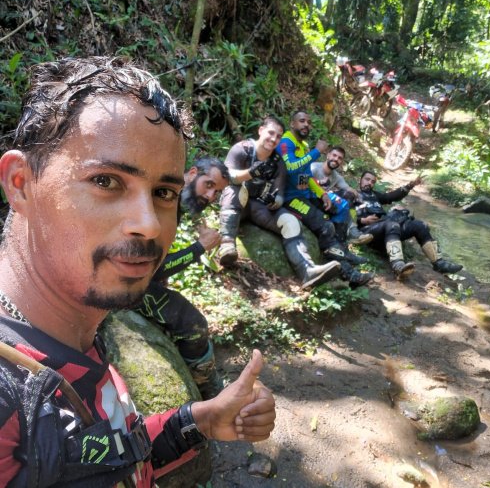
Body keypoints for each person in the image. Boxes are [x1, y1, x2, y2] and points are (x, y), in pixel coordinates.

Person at [0, 56, 275, 486]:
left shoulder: (72, 328)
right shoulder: (8, 396)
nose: (149, 225)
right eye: (106, 181)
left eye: (164, 192)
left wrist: (199, 420)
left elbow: (104, 452)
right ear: (21, 183)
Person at [139, 158, 229, 400]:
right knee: (193, 324)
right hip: (125, 283)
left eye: (217, 192)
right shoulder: (157, 202)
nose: (210, 196)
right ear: (192, 173)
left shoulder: (173, 200)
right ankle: (208, 389)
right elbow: (151, 270)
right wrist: (198, 248)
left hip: (139, 276)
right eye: (208, 185)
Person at [217, 115, 341, 289]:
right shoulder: (242, 149)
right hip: (237, 202)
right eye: (271, 133)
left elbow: (280, 193)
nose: (273, 139)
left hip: (260, 207)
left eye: (278, 136)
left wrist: (275, 200)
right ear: (261, 130)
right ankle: (227, 244)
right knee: (235, 190)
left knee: (290, 221)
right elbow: (226, 177)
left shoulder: (278, 162)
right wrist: (250, 173)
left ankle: (307, 270)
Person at [276, 111, 373, 287]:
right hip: (291, 199)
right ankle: (348, 273)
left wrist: (323, 194)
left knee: (339, 207)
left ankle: (343, 251)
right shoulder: (286, 142)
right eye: (302, 121)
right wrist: (316, 151)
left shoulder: (302, 145)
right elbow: (291, 167)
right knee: (325, 225)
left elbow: (306, 176)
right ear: (292, 123)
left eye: (309, 122)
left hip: (307, 195)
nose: (306, 124)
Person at [355, 170, 463, 278]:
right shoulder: (352, 195)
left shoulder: (374, 195)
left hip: (387, 230)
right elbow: (347, 217)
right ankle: (398, 265)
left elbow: (391, 196)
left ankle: (439, 263)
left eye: (373, 181)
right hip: (367, 232)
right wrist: (362, 220)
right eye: (367, 179)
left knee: (420, 225)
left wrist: (411, 185)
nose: (369, 183)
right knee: (391, 224)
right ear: (360, 180)